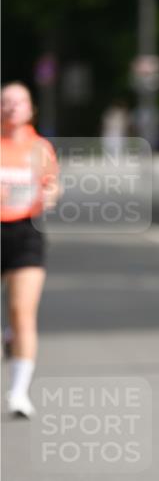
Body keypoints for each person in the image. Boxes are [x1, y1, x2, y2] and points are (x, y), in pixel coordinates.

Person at [1, 82, 59, 418]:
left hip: (25, 232)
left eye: (18, 102)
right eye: (5, 102)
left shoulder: (40, 147)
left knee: (22, 311)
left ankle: (18, 393)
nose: (11, 107)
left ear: (30, 109)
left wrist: (50, 195)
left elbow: (52, 185)